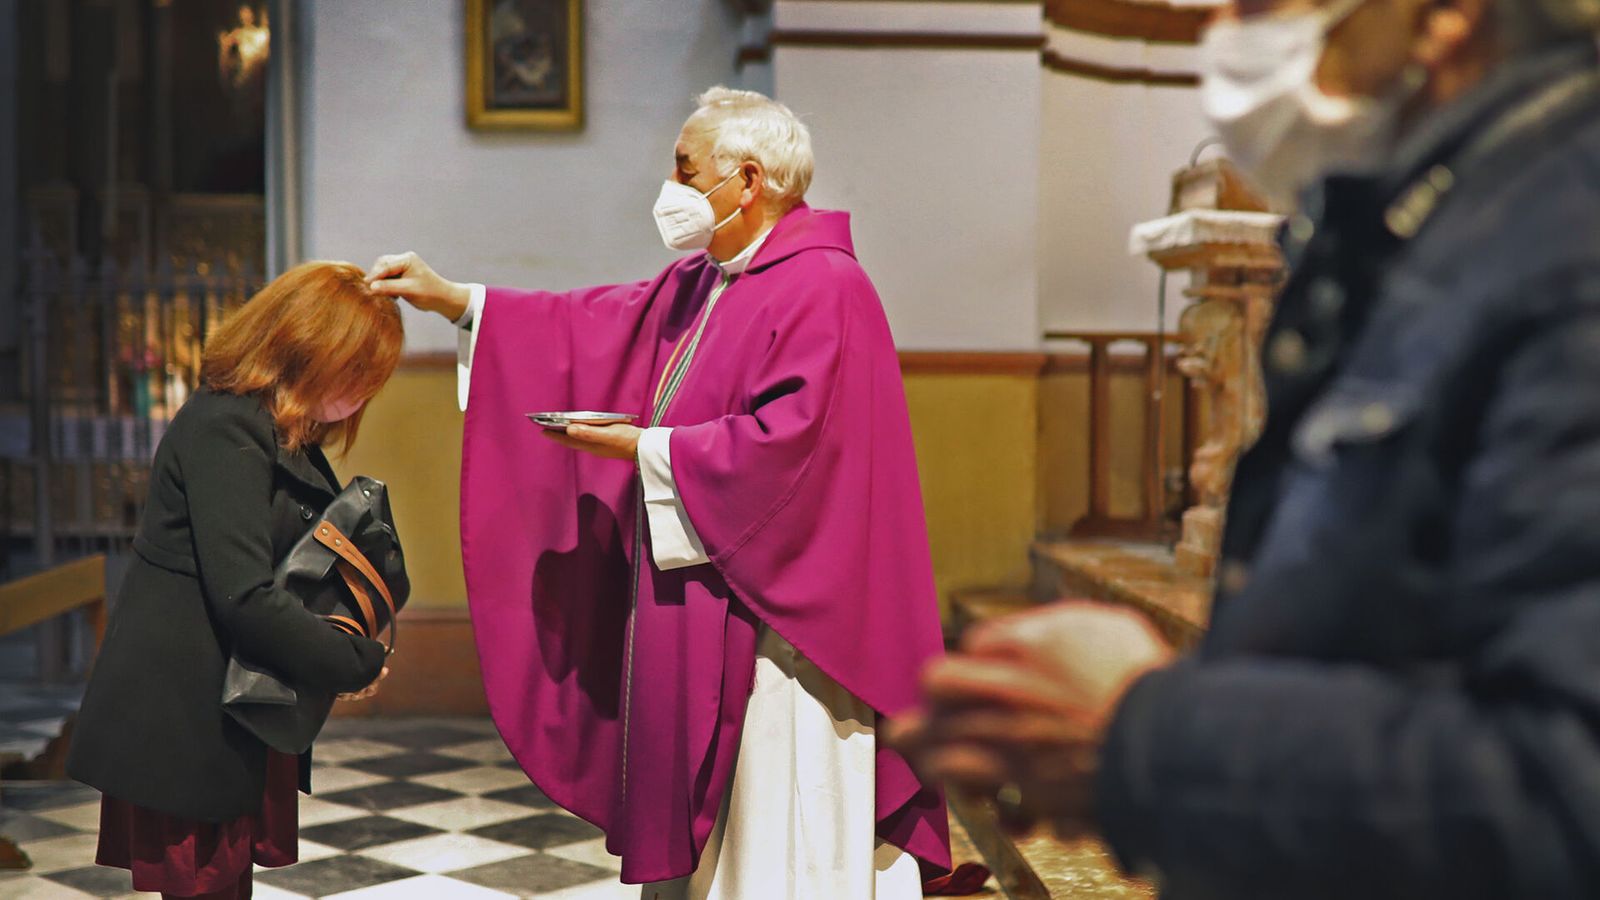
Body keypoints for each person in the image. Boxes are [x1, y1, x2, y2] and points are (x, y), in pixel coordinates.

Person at [888, 0, 1600, 897]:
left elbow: (1572, 790)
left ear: (1448, 15)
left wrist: (1140, 738)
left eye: (1261, 5)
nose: (1218, 26)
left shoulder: (1569, 238)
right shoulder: (1431, 219)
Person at [368, 86, 951, 897]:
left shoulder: (825, 288)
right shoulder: (708, 280)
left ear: (747, 182)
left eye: (685, 169)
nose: (671, 188)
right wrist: (459, 301)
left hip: (787, 638)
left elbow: (796, 451)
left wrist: (648, 448)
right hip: (709, 606)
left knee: (777, 832)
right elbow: (594, 323)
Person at [68, 261, 401, 900]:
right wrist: (347, 661)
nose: (361, 395)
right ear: (303, 349)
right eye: (356, 373)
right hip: (189, 712)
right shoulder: (228, 426)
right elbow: (243, 596)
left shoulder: (276, 428)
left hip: (233, 702)